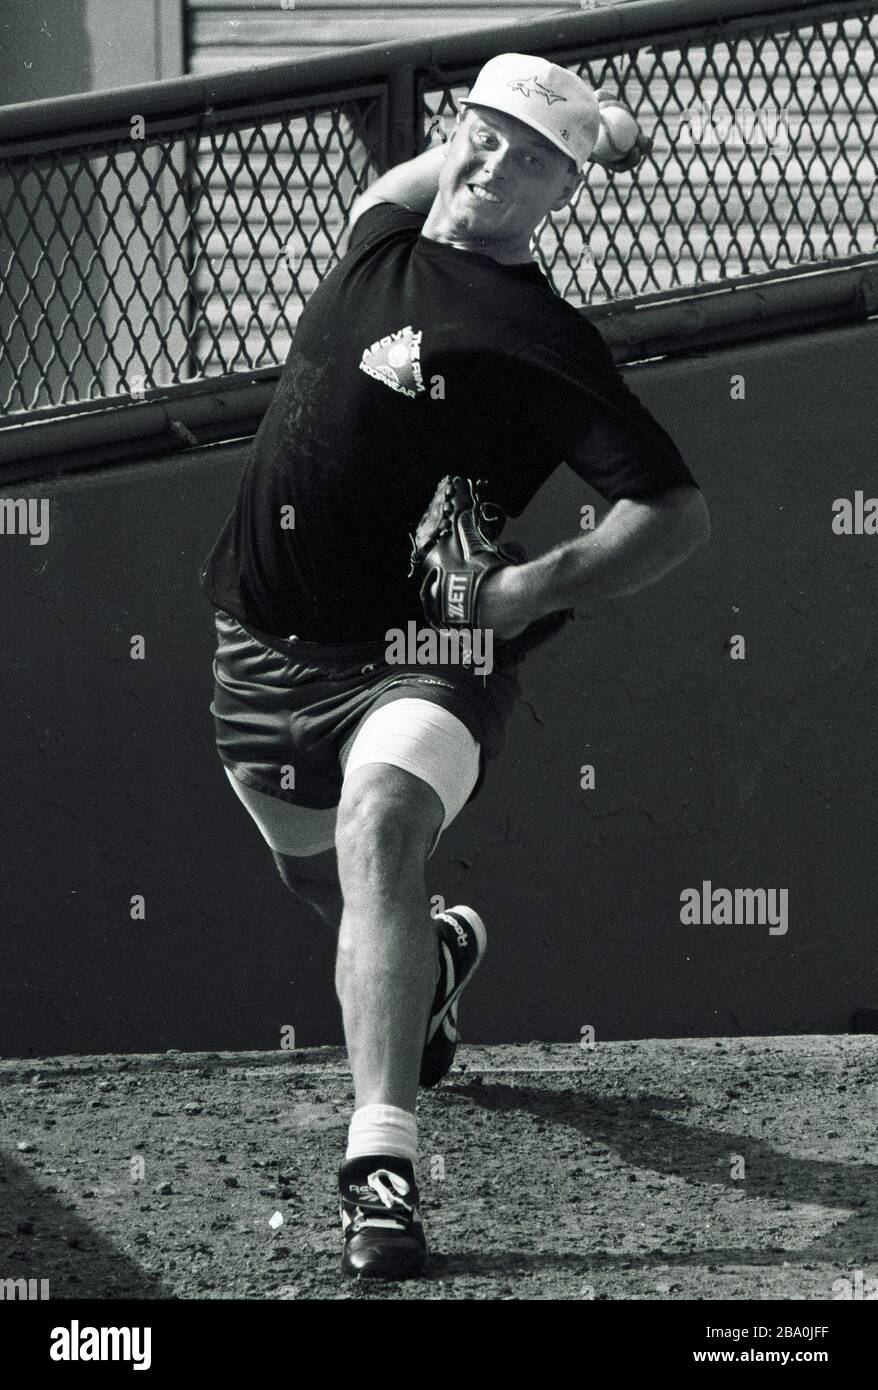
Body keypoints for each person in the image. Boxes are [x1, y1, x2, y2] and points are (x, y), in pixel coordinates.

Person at [199, 52, 710, 1280]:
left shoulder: (538, 335)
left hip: (425, 649)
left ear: (561, 197)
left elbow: (671, 511)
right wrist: (587, 130)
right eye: (479, 138)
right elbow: (468, 163)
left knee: (378, 825)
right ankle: (434, 962)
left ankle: (380, 1171)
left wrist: (524, 593)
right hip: (261, 648)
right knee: (323, 887)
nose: (490, 167)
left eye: (529, 162)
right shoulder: (385, 224)